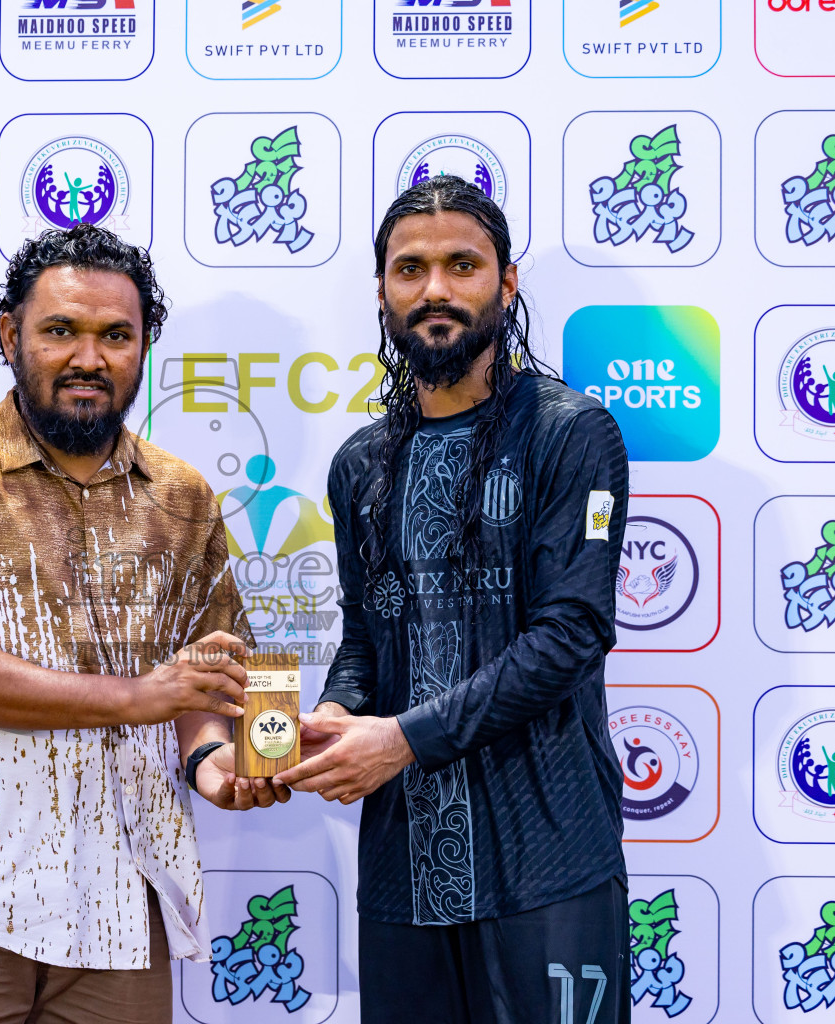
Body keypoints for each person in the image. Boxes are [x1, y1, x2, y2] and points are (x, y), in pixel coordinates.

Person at [0, 222, 288, 1024]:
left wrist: (216, 766)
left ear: (143, 348)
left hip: (124, 905)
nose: (89, 357)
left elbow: (209, 678)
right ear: (10, 336)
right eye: (61, 331)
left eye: (116, 336)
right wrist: (136, 697)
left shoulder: (181, 494)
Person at [275, 175, 633, 1023]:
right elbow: (367, 638)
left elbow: (571, 635)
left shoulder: (571, 433)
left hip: (548, 855)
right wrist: (333, 720)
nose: (435, 290)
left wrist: (401, 739)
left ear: (507, 283)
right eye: (410, 269)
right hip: (403, 869)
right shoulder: (361, 464)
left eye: (462, 265)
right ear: (383, 292)